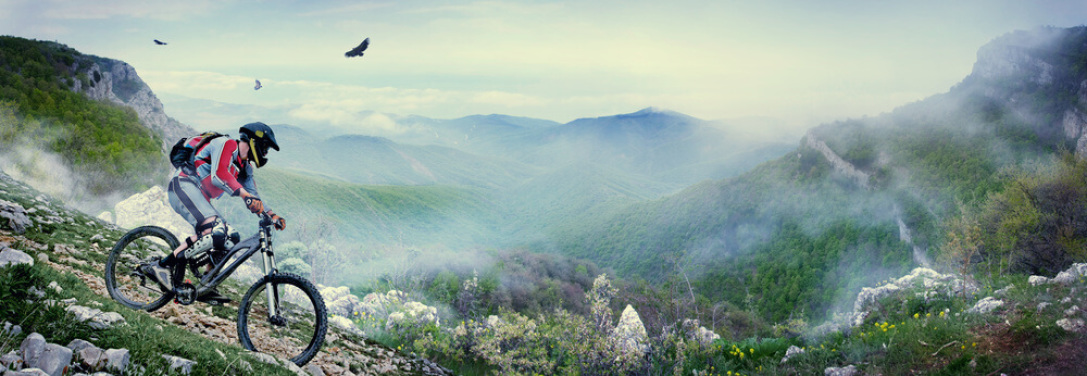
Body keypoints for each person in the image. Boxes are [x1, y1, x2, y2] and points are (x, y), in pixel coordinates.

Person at [141, 122, 286, 304]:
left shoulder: (245, 167)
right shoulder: (226, 144)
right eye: (265, 148)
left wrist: (272, 215)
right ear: (254, 141)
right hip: (183, 186)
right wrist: (245, 195)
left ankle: (206, 285)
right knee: (216, 229)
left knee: (231, 237)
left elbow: (254, 196)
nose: (265, 153)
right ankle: (161, 266)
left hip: (200, 198)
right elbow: (219, 175)